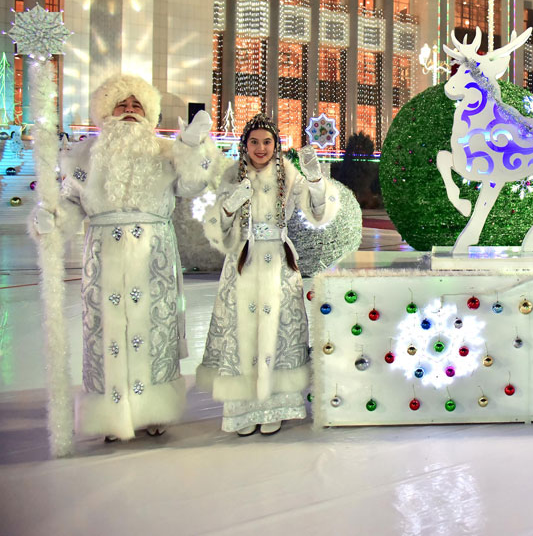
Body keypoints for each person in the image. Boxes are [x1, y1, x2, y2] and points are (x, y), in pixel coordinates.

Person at [31, 74, 215, 441]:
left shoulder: (166, 151)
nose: (130, 111)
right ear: (106, 111)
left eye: (137, 106)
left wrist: (194, 147)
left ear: (148, 114)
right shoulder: (83, 155)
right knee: (108, 332)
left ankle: (154, 410)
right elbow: (70, 203)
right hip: (104, 258)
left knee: (153, 331)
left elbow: (193, 184)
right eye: (122, 105)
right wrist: (49, 221)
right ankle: (111, 413)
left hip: (153, 258)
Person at [196, 113, 339, 436]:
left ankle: (276, 405)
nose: (261, 148)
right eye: (254, 141)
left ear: (276, 145)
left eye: (267, 142)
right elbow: (217, 229)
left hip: (278, 263)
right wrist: (231, 205)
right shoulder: (231, 175)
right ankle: (243, 410)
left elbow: (318, 212)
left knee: (279, 333)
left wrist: (315, 179)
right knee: (242, 334)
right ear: (245, 145)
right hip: (242, 263)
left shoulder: (288, 175)